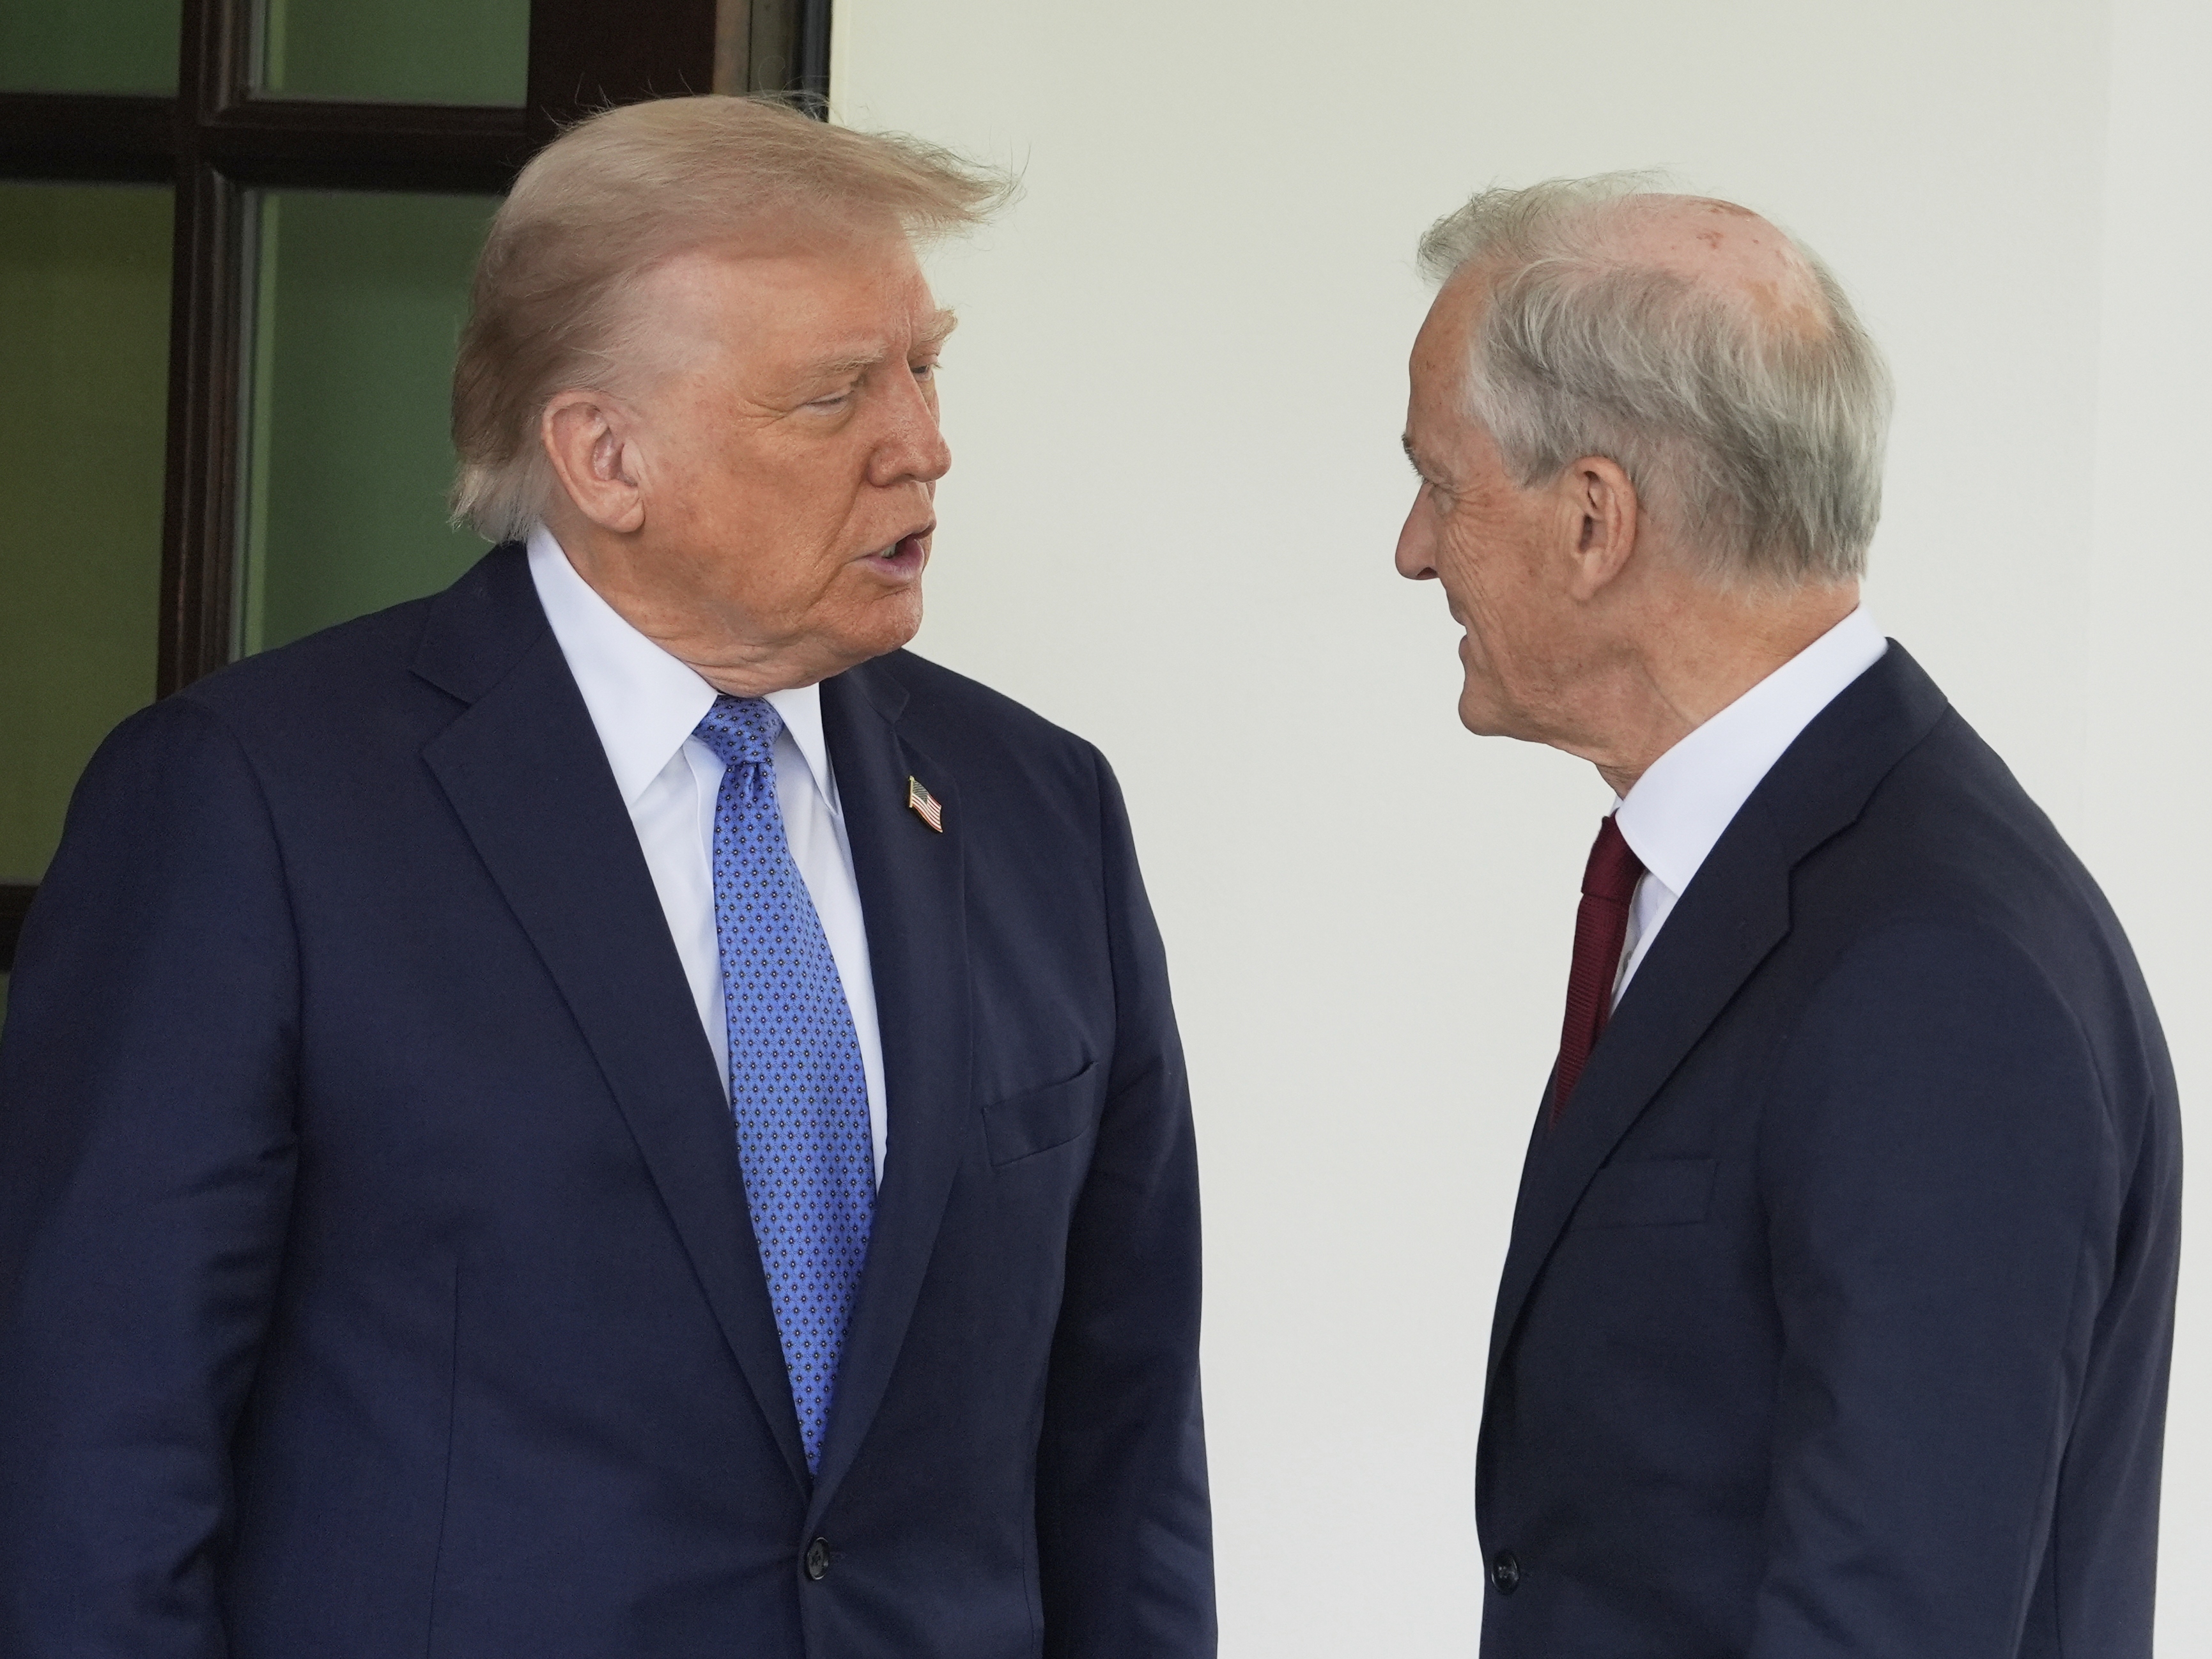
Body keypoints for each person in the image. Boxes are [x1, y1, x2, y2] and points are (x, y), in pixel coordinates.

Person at [0, 95, 1212, 1659]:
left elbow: (1125, 1449)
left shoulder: (1041, 806)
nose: (923, 443)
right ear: (603, 455)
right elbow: (94, 1457)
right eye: (835, 395)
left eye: (925, 365)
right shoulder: (250, 804)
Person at [1395, 174, 2179, 1657]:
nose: (1414, 548)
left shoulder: (1934, 970)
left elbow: (1895, 1617)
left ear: (1592, 519)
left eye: (1442, 480)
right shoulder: (1791, 875)